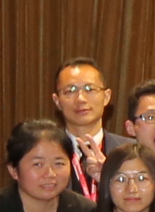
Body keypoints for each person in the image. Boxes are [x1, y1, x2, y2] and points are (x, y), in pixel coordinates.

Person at [50, 58, 130, 201]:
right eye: (70, 90)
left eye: (89, 89)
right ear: (57, 101)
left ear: (106, 97)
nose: (81, 99)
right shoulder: (45, 152)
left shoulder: (131, 151)